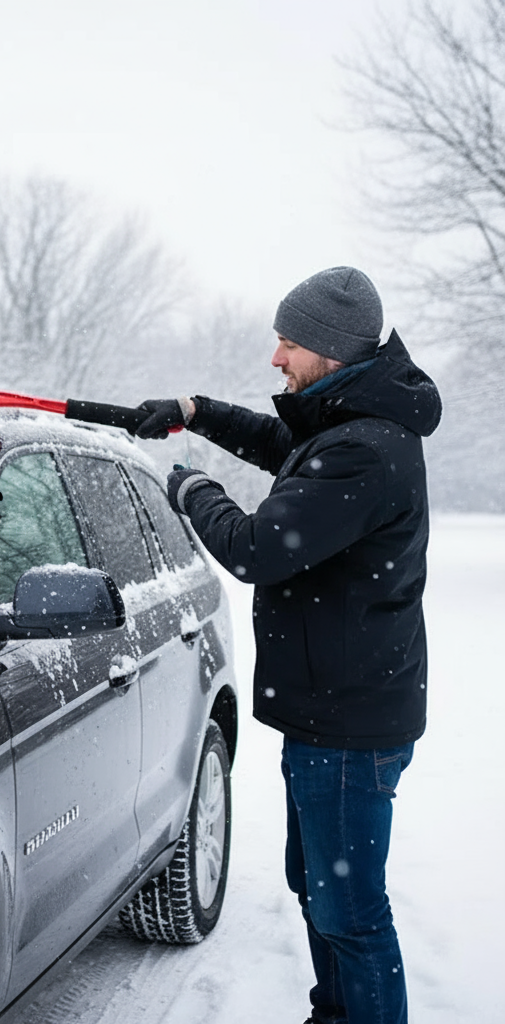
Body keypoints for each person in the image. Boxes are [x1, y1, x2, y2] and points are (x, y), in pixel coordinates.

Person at [135, 266, 441, 1024]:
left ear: (330, 352)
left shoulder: (366, 450)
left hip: (349, 727)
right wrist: (196, 411)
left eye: (288, 342)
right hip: (336, 712)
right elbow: (285, 445)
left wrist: (187, 490)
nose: (276, 357)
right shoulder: (354, 425)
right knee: (319, 889)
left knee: (351, 915)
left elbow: (255, 548)